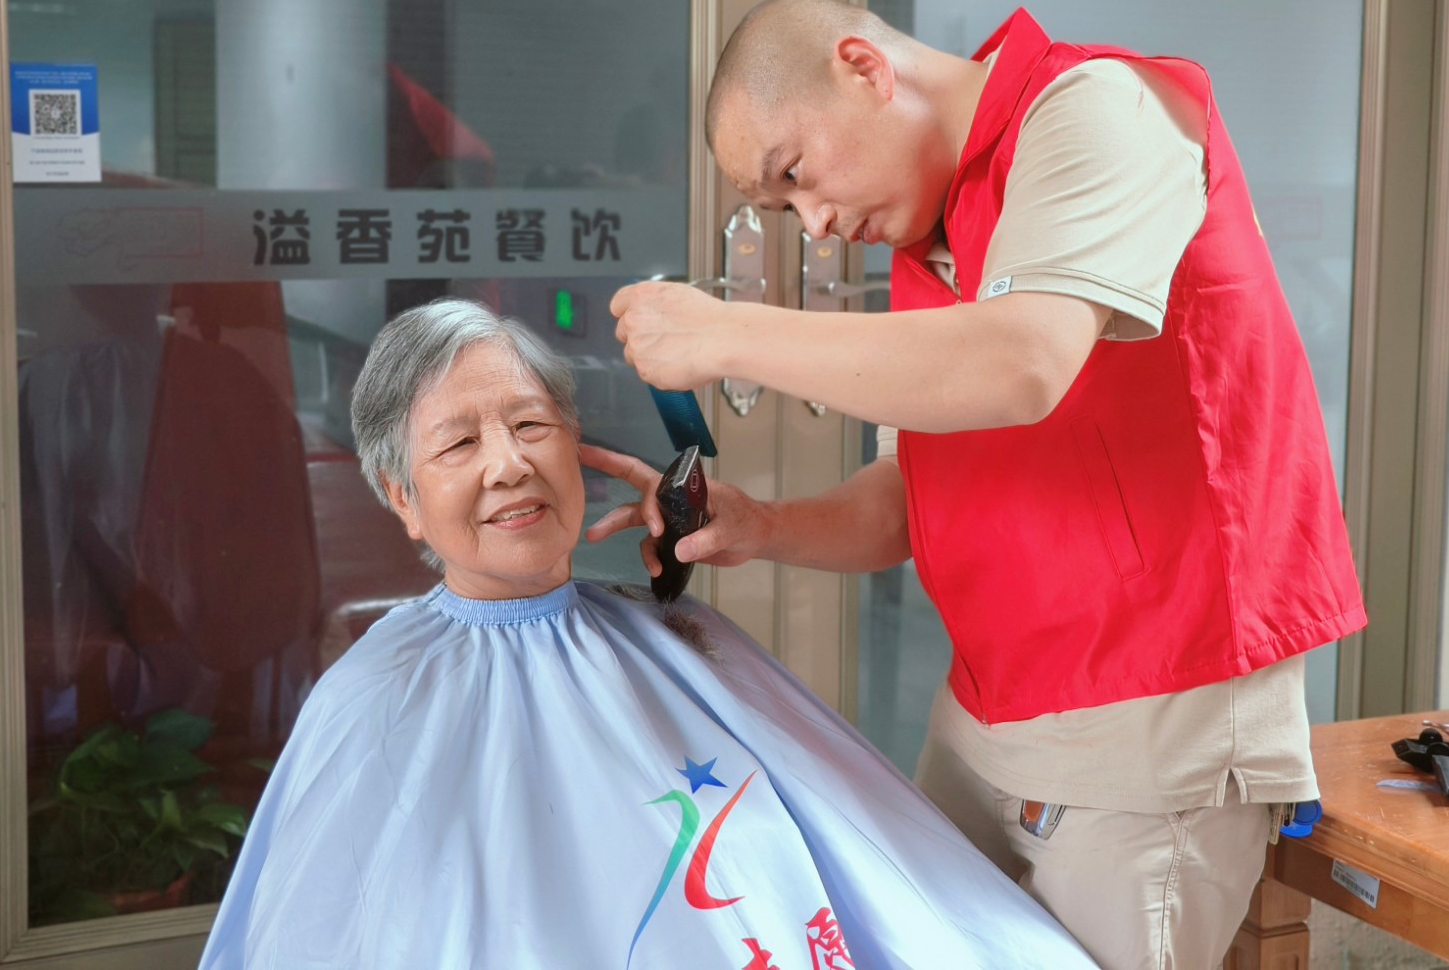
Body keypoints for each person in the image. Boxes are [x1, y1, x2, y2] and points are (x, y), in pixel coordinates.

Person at [602, 0, 1368, 970]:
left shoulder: (1103, 109)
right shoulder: (932, 233)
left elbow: (1022, 363)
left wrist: (725, 332)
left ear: (864, 68)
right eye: (785, 212)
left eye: (795, 175)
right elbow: (910, 494)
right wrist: (766, 526)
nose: (819, 225)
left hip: (1149, 708)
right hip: (989, 708)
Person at [198, 298, 1095, 970]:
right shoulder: (373, 698)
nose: (509, 463)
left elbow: (859, 868)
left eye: (530, 425)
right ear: (403, 499)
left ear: (577, 447)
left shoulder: (673, 632)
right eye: (458, 445)